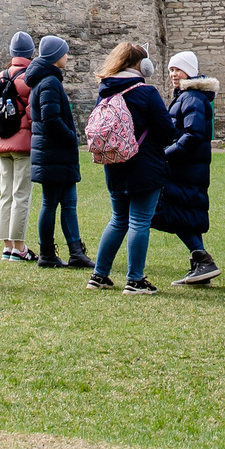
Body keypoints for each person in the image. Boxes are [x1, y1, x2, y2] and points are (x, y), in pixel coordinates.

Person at [89, 41, 177, 293]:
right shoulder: (146, 92)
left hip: (114, 164)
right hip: (144, 164)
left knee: (118, 219)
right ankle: (135, 280)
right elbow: (166, 131)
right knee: (139, 221)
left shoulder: (105, 91)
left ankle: (99, 275)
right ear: (142, 65)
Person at [153, 50, 222, 285]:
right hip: (185, 166)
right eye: (171, 70)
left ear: (189, 72)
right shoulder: (185, 95)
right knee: (185, 214)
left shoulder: (191, 97)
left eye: (178, 70)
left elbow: (193, 134)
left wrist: (165, 155)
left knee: (176, 213)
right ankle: (201, 264)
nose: (173, 74)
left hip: (186, 167)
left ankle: (203, 260)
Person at [24, 34, 92, 271]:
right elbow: (50, 118)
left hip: (56, 154)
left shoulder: (47, 79)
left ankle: (76, 253)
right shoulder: (49, 82)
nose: (67, 56)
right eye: (64, 52)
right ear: (55, 56)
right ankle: (47, 253)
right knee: (51, 203)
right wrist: (71, 137)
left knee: (69, 203)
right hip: (53, 153)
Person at [0, 31, 38, 262]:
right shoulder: (30, 77)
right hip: (23, 143)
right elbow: (33, 111)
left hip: (1, 140)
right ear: (30, 52)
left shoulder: (1, 75)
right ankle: (19, 247)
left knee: (5, 194)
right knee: (21, 194)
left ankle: (7, 246)